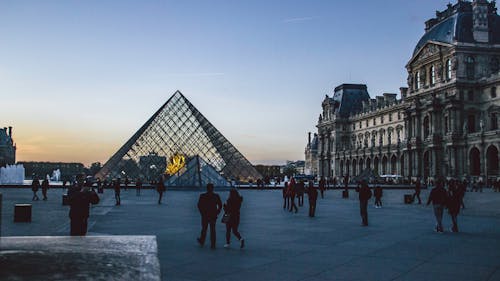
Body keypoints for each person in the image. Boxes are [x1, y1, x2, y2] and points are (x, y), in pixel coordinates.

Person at [197, 183, 222, 249]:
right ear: (213, 188)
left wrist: (202, 213)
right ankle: (213, 244)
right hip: (213, 215)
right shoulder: (216, 196)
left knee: (204, 229)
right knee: (213, 230)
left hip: (205, 215)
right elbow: (220, 205)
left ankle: (202, 240)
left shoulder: (202, 196)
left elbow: (199, 205)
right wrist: (217, 212)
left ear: (207, 188)